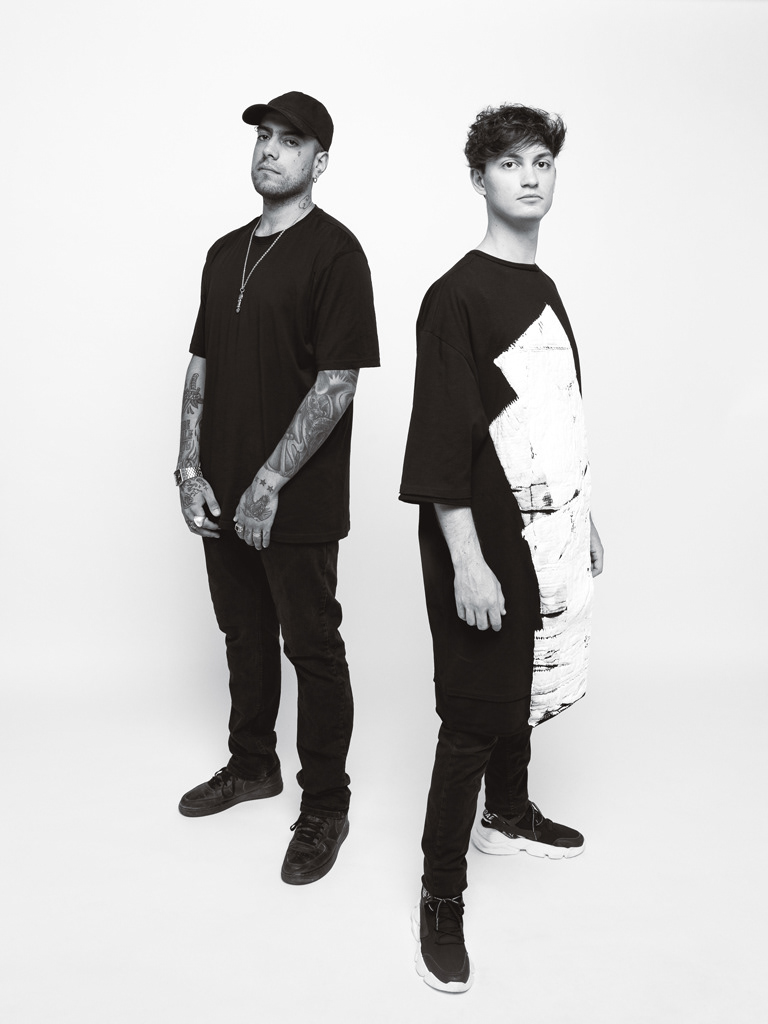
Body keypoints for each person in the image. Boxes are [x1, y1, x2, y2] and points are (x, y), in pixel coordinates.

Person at [400, 103, 604, 991]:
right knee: (475, 714)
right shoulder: (456, 295)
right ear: (478, 178)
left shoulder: (543, 285)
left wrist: (583, 516)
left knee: (522, 685)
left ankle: (509, 815)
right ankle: (440, 892)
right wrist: (468, 559)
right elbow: (442, 437)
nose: (530, 176)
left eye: (542, 161)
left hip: (542, 531)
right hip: (481, 537)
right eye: (510, 162)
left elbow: (550, 417)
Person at [174, 91, 379, 885]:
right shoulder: (223, 252)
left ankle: (325, 804)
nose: (269, 150)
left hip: (296, 498)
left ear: (319, 162)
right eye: (263, 136)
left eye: (290, 141)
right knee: (243, 634)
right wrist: (189, 469)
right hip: (220, 489)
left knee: (312, 647)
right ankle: (252, 764)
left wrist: (268, 481)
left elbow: (338, 382)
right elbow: (201, 364)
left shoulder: (336, 254)